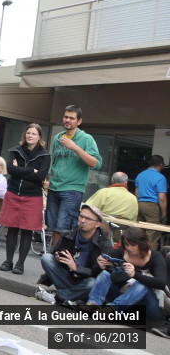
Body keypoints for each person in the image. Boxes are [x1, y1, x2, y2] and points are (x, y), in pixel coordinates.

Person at [82, 226, 166, 326]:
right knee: (105, 274)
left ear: (142, 244)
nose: (129, 248)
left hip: (148, 305)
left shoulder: (155, 257)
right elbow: (94, 273)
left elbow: (161, 283)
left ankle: (112, 310)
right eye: (126, 244)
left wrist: (135, 275)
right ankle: (94, 304)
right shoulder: (121, 252)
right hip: (123, 298)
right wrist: (101, 266)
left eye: (133, 245)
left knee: (142, 284)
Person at [0, 124, 50, 274]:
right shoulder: (15, 151)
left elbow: (40, 176)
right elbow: (11, 169)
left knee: (27, 230)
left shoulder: (45, 155)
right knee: (12, 228)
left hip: (33, 196)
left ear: (39, 136)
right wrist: (29, 170)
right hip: (14, 192)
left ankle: (20, 264)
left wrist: (20, 170)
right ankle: (8, 261)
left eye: (33, 134)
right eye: (28, 133)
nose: (30, 136)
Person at [47, 105, 102, 248]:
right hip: (54, 187)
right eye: (66, 117)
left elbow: (96, 163)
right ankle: (54, 262)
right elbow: (56, 162)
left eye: (72, 118)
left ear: (79, 121)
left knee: (63, 229)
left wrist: (75, 147)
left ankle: (61, 264)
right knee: (53, 227)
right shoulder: (58, 138)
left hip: (72, 189)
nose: (68, 120)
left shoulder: (86, 138)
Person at [37, 203, 111, 306]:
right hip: (68, 277)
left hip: (85, 281)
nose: (83, 221)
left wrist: (76, 268)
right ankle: (74, 298)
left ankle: (57, 297)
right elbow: (56, 254)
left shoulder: (104, 244)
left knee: (92, 283)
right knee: (46, 258)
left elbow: (100, 274)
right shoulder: (70, 234)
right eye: (81, 216)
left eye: (88, 219)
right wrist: (58, 258)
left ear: (97, 224)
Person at [133, 155, 166, 246]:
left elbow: (137, 192)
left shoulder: (141, 174)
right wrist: (164, 214)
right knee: (152, 233)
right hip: (151, 206)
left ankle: (136, 251)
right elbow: (162, 198)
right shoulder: (160, 178)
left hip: (139, 204)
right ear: (161, 165)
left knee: (139, 232)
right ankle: (149, 256)